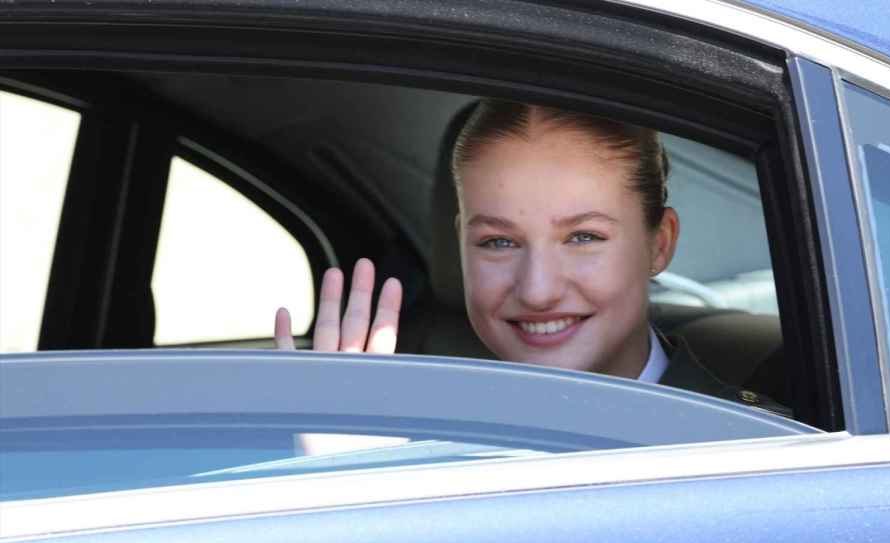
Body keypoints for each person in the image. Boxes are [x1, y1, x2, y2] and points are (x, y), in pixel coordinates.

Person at [275, 100, 789, 412]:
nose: (538, 289)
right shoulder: (419, 435)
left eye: (583, 237)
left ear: (660, 243)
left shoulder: (761, 456)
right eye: (499, 242)